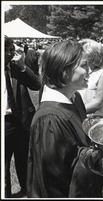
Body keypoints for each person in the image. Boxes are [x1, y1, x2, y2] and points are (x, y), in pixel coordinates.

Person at [27, 40, 103, 197]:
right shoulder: (50, 119)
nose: (89, 71)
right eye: (84, 66)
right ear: (64, 71)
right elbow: (52, 185)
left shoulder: (75, 99)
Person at [4, 37, 41, 198]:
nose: (12, 53)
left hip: (21, 121)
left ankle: (27, 191)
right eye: (7, 50)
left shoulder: (16, 67)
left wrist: (23, 66)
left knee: (24, 159)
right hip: (4, 122)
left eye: (12, 49)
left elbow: (36, 84)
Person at [78, 39, 103, 115]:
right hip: (79, 117)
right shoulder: (80, 73)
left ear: (91, 56)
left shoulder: (101, 75)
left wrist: (76, 112)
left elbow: (98, 103)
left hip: (95, 119)